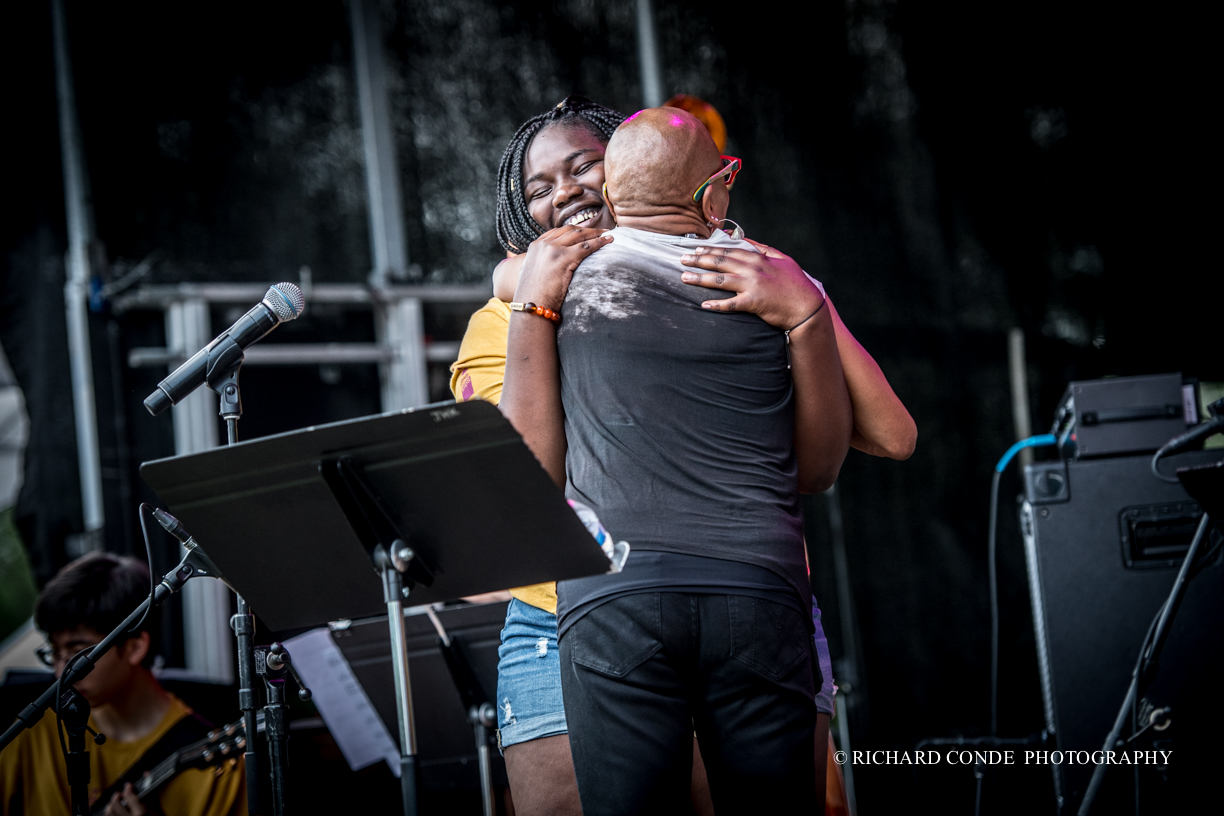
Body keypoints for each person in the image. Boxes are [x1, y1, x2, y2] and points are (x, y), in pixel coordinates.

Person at [455, 96, 913, 813]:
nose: (566, 192)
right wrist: (526, 298)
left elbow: (890, 433)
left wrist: (801, 301)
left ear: (632, 170)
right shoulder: (510, 314)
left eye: (584, 167)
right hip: (569, 616)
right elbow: (519, 486)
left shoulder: (758, 276)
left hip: (744, 600)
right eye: (538, 189)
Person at [0, 553, 247, 816]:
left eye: (77, 652)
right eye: (54, 653)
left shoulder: (218, 768)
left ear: (135, 647)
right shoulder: (32, 731)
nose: (62, 672)